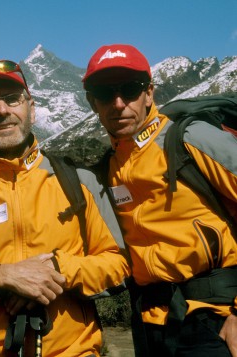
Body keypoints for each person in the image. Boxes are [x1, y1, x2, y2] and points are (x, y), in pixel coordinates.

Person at [0, 60, 130, 356]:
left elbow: (119, 265)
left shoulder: (78, 183)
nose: (3, 111)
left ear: (31, 109)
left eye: (12, 99)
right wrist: (0, 278)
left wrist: (56, 270)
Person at [83, 44, 237, 357]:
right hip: (149, 324)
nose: (118, 103)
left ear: (149, 94)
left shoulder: (191, 139)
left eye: (129, 90)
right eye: (104, 93)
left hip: (213, 319)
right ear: (92, 102)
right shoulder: (107, 169)